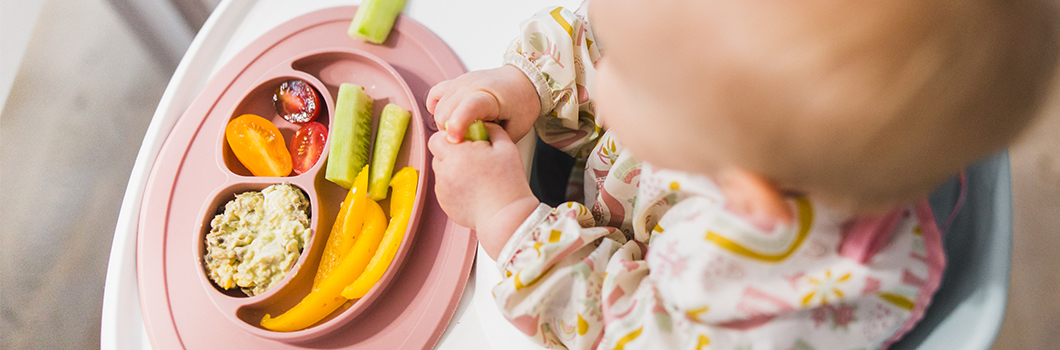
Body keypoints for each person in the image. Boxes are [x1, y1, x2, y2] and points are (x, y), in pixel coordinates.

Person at [426, 0, 1059, 348]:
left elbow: (629, 332)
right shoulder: (740, 122)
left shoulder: (755, 272)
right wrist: (531, 81)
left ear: (735, 189)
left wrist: (509, 219)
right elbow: (632, 39)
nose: (604, 62)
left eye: (628, 72)